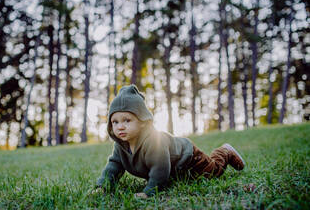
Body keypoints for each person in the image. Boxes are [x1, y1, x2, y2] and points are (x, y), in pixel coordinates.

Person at [92, 85, 245, 199]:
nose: (120, 126)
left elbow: (160, 168)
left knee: (214, 172)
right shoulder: (120, 145)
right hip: (176, 170)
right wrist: (103, 187)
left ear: (143, 121)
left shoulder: (153, 141)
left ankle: (224, 151)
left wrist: (150, 192)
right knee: (184, 180)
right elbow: (114, 166)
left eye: (127, 120)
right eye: (115, 122)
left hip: (190, 158)